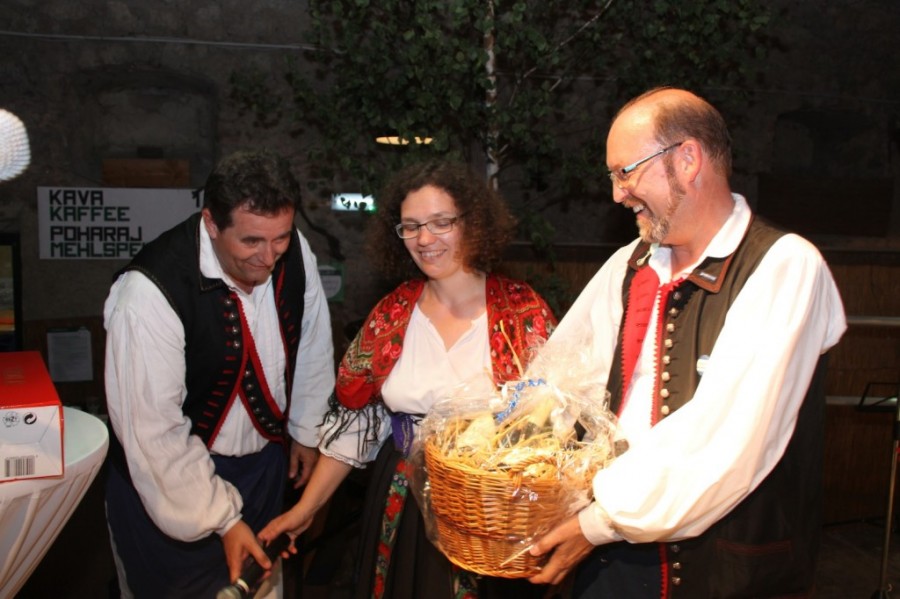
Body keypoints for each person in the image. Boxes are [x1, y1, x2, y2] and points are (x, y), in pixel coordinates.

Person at [527, 87, 847, 597]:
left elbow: (726, 437)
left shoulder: (784, 265)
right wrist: (512, 447)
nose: (617, 194)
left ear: (688, 159)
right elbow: (560, 381)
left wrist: (598, 522)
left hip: (718, 568)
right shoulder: (630, 263)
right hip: (606, 551)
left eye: (625, 172)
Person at [259, 159, 558, 598]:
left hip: (488, 509)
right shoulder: (391, 316)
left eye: (441, 223)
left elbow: (554, 428)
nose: (425, 239)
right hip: (400, 503)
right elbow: (354, 432)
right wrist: (306, 509)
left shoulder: (521, 312)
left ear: (472, 223)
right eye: (411, 227)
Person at [102, 149, 335, 598]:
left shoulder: (293, 251)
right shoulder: (146, 296)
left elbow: (312, 343)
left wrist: (307, 431)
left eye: (280, 238)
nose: (268, 257)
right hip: (169, 485)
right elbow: (153, 431)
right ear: (211, 223)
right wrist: (223, 520)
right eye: (251, 241)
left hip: (264, 471)